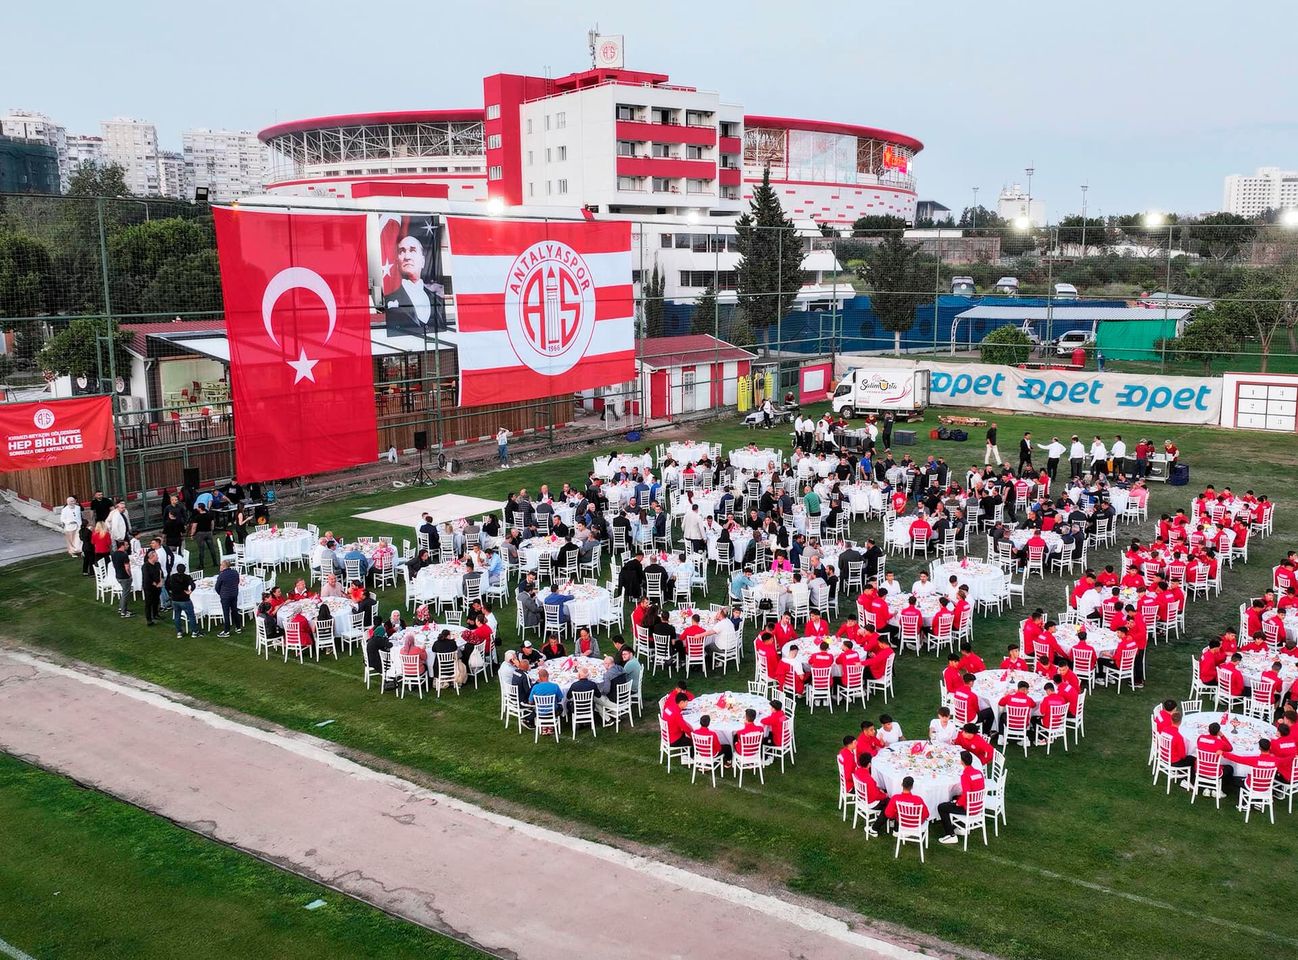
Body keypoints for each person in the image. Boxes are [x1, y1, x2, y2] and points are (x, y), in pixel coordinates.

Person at [384, 225, 447, 333]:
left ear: (422, 261)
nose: (407, 256)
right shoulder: (388, 300)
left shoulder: (438, 301)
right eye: (402, 251)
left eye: (412, 250)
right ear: (397, 262)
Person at [936, 750, 986, 844]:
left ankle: (951, 835)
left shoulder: (965, 776)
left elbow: (966, 793)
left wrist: (958, 803)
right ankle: (961, 827)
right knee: (954, 797)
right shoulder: (979, 772)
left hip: (969, 807)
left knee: (941, 807)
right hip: (979, 804)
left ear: (961, 762)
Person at [167, 564, 199, 637]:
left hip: (175, 599)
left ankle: (179, 632)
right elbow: (193, 585)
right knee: (191, 616)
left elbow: (167, 585)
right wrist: (190, 591)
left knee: (177, 616)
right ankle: (194, 632)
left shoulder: (173, 577)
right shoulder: (187, 577)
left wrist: (170, 591)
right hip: (185, 599)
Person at [214, 560, 241, 637]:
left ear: (224, 566)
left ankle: (226, 631)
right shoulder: (235, 572)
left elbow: (217, 587)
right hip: (234, 594)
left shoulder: (221, 575)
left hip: (225, 596)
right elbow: (237, 582)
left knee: (226, 613)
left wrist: (221, 593)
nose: (220, 566)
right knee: (235, 610)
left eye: (221, 565)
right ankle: (238, 627)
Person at [110, 540, 133, 619]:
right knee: (125, 594)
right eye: (126, 545)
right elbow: (127, 567)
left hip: (118, 576)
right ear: (122, 546)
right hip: (125, 577)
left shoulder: (113, 554)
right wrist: (130, 575)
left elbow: (113, 565)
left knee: (124, 593)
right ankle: (123, 612)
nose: (128, 546)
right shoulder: (124, 555)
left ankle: (121, 608)